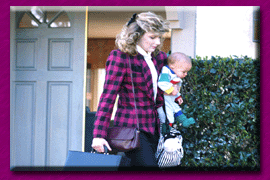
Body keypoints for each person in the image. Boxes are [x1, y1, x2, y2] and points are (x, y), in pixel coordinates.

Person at [91, 12, 170, 168]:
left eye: (159, 37)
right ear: (137, 35)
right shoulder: (120, 57)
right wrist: (98, 135)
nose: (157, 42)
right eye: (152, 37)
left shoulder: (159, 58)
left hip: (156, 129)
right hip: (132, 131)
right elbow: (108, 97)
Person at [157, 52, 195, 134]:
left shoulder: (175, 74)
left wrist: (178, 96)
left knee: (176, 108)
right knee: (168, 114)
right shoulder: (166, 72)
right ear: (173, 66)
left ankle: (184, 121)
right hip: (164, 99)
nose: (186, 74)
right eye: (184, 72)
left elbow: (176, 88)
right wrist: (171, 90)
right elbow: (162, 83)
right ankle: (167, 129)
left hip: (171, 98)